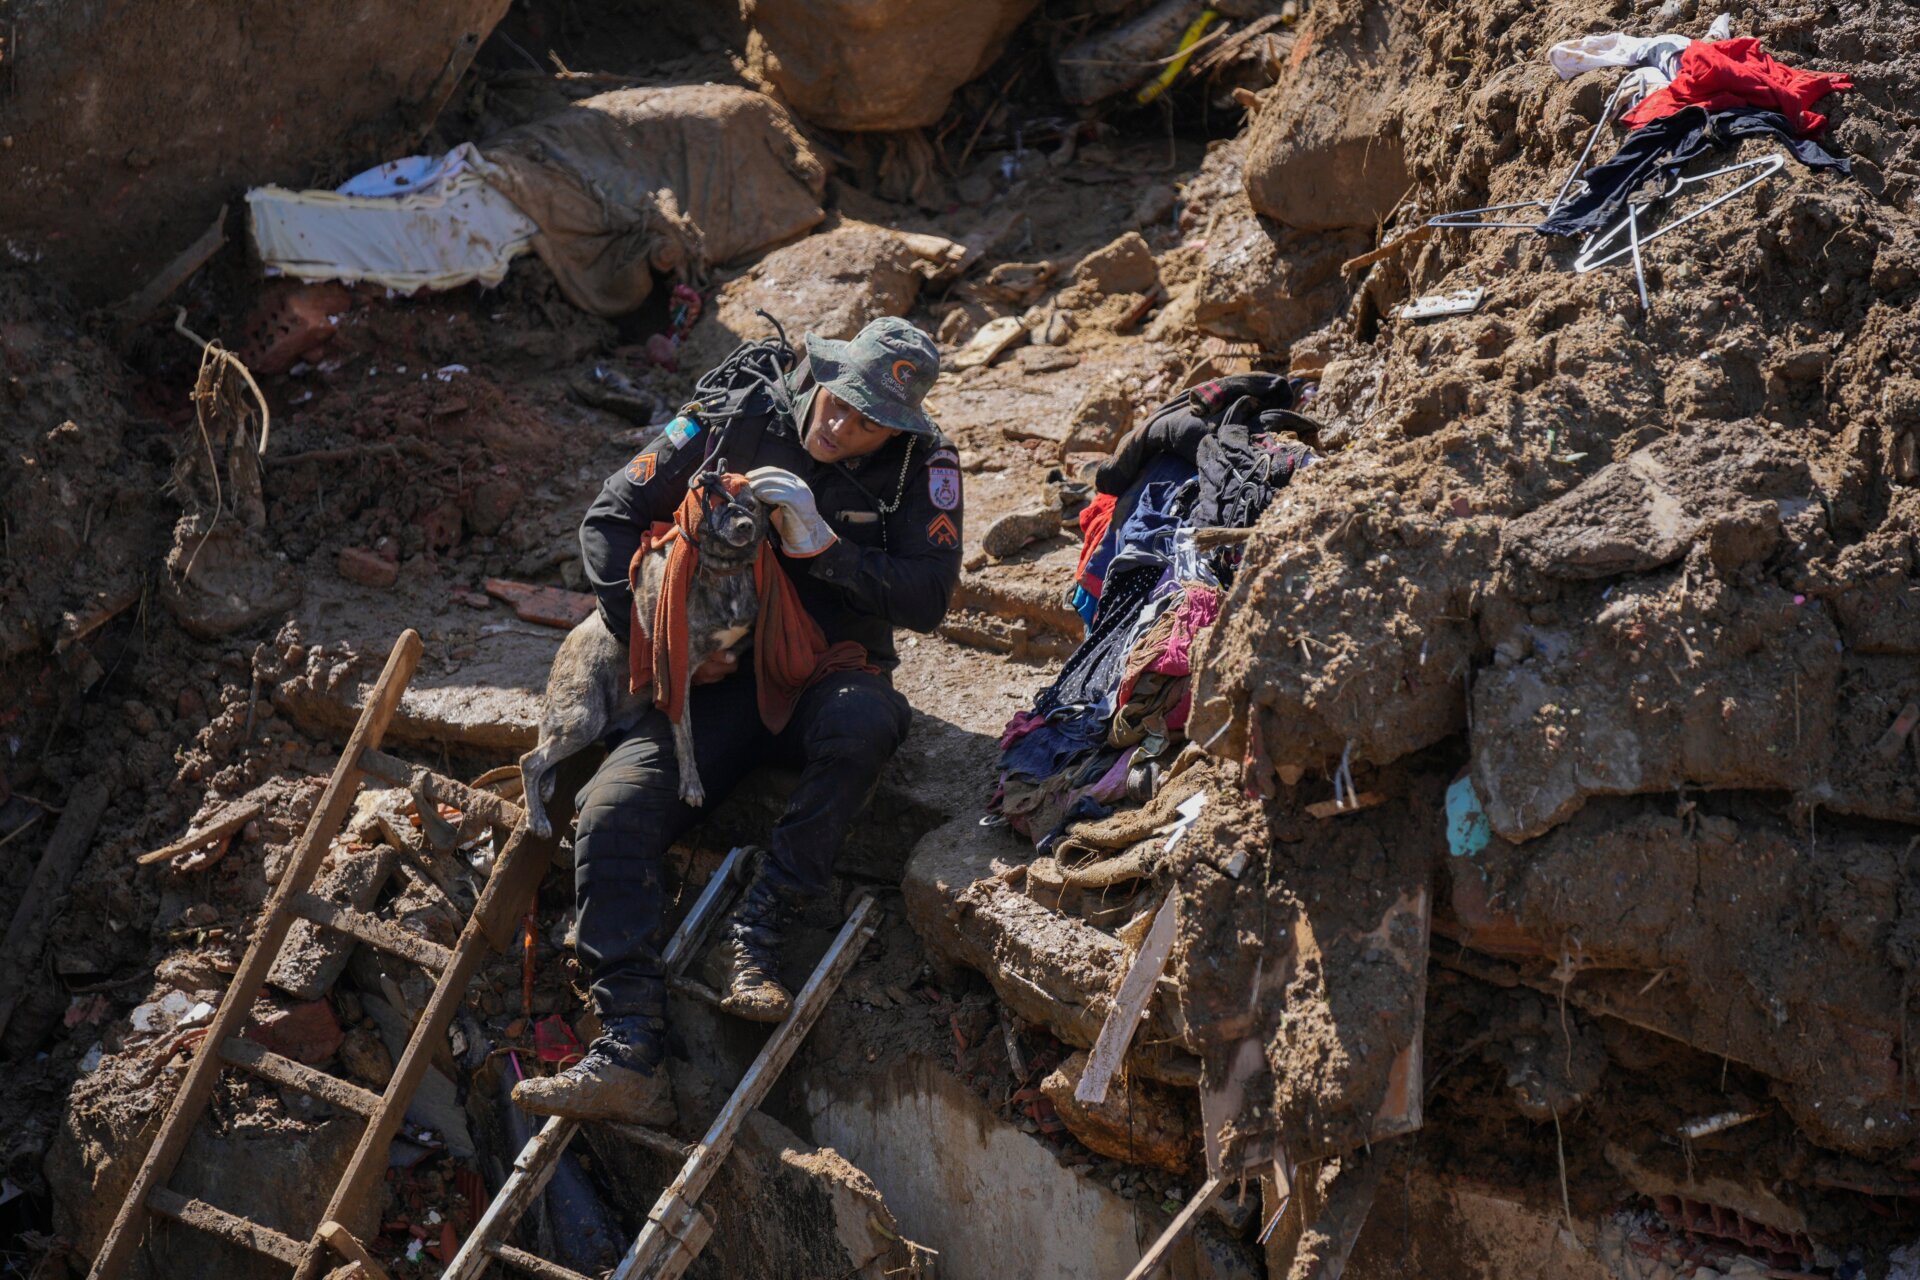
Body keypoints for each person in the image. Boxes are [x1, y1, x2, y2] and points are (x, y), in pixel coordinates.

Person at [514, 316, 964, 1125]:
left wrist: (825, 548)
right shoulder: (735, 415)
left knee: (867, 724)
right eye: (841, 404)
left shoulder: (921, 466)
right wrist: (658, 636)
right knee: (609, 810)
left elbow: (929, 597)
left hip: (829, 670)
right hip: (714, 681)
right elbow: (609, 519)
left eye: (870, 424)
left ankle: (760, 927)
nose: (844, 428)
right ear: (827, 375)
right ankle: (628, 1050)